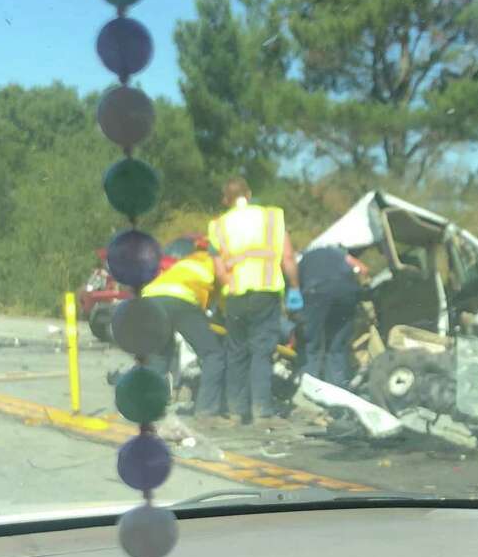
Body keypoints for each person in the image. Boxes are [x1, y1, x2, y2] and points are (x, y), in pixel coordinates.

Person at [208, 177, 299, 425]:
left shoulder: (218, 226)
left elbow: (219, 271)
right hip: (266, 293)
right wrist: (295, 288)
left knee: (236, 351)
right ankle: (262, 410)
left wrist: (230, 287)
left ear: (225, 200)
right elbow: (288, 257)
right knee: (262, 351)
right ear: (248, 194)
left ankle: (237, 411)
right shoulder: (272, 218)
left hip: (236, 297)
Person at [141, 235, 228, 422]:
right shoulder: (219, 262)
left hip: (150, 298)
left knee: (160, 354)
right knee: (213, 354)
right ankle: (207, 411)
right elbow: (222, 303)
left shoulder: (187, 261)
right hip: (181, 299)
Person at [298, 244, 368, 387]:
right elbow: (363, 269)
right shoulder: (339, 253)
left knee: (311, 344)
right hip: (346, 292)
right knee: (337, 346)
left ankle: (309, 387)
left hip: (316, 291)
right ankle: (338, 387)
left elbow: (297, 291)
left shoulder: (303, 260)